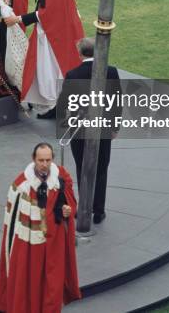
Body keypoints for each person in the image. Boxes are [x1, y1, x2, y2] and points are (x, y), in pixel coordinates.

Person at [0, 142, 81, 312]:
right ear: (34, 159)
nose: (44, 164)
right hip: (30, 246)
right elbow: (12, 224)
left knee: (53, 285)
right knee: (30, 283)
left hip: (55, 241)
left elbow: (70, 202)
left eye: (48, 160)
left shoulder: (62, 177)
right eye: (41, 160)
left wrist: (67, 210)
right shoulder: (22, 185)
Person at [4, 0, 84, 115]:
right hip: (53, 35)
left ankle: (54, 105)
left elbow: (45, 14)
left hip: (54, 38)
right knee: (45, 69)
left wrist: (18, 19)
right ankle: (51, 104)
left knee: (50, 70)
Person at [64, 38, 122, 225]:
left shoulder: (73, 74)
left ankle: (84, 208)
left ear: (80, 54)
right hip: (103, 128)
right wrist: (114, 128)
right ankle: (98, 210)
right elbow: (116, 101)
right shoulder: (111, 71)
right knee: (101, 169)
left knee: (83, 169)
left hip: (80, 131)